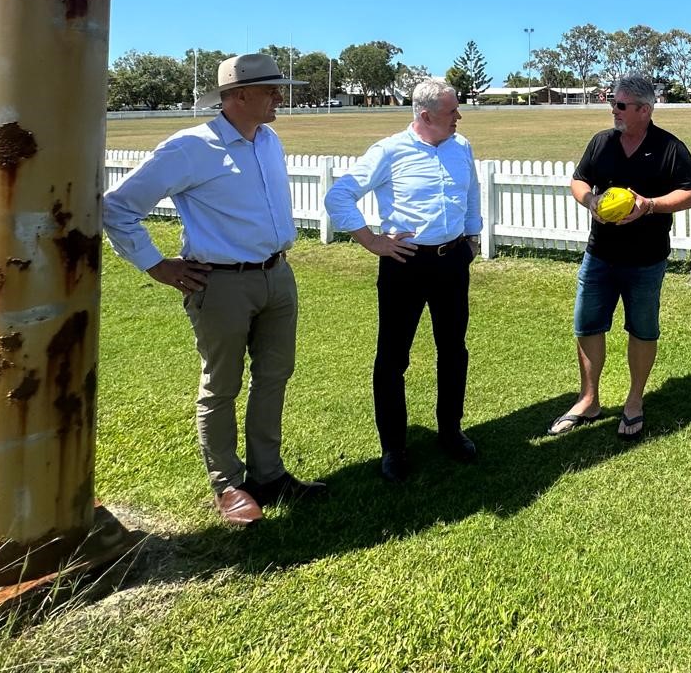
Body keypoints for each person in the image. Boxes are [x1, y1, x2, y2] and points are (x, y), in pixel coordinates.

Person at [102, 53, 324, 527]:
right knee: (221, 385)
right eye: (270, 89)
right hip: (220, 283)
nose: (279, 97)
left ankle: (269, 473)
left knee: (274, 376)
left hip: (277, 275)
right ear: (238, 96)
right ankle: (228, 485)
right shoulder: (190, 148)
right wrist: (155, 264)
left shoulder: (268, 140)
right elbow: (119, 208)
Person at [324, 78, 483, 481]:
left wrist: (472, 238)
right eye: (452, 112)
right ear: (425, 115)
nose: (459, 117)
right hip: (405, 264)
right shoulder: (390, 151)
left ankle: (451, 429)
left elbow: (472, 194)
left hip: (452, 262)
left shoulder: (461, 147)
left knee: (453, 349)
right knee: (393, 358)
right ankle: (394, 448)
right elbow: (339, 196)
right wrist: (371, 240)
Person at [548, 74, 691, 441]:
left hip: (646, 260)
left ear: (645, 110)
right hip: (599, 255)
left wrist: (649, 206)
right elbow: (579, 180)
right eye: (612, 102)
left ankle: (634, 401)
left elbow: (690, 194)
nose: (612, 110)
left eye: (620, 105)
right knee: (587, 325)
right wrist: (590, 201)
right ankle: (589, 399)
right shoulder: (602, 143)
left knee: (642, 330)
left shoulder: (670, 148)